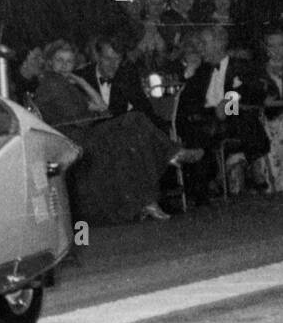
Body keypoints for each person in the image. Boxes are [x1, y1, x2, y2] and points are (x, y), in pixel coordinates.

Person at [36, 40, 200, 223]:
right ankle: (170, 154)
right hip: (74, 140)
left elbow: (101, 107)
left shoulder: (67, 84)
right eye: (60, 60)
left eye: (69, 61)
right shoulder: (52, 83)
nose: (65, 65)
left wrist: (81, 82)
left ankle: (148, 200)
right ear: (50, 62)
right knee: (134, 120)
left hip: (85, 133)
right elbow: (82, 119)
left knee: (133, 136)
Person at [176, 25, 268, 200]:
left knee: (236, 115)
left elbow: (256, 90)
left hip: (230, 116)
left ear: (219, 44)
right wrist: (189, 74)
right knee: (191, 128)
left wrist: (229, 99)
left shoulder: (240, 65)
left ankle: (235, 164)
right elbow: (187, 104)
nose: (199, 48)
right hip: (206, 121)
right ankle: (227, 171)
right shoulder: (201, 70)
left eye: (204, 43)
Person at [79, 34, 160, 130]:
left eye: (117, 59)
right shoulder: (82, 77)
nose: (113, 65)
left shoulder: (126, 76)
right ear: (98, 56)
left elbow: (145, 109)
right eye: (108, 59)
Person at [255, 27, 283, 193]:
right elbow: (259, 100)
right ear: (265, 48)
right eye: (272, 45)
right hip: (270, 119)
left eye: (280, 45)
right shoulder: (259, 71)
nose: (277, 50)